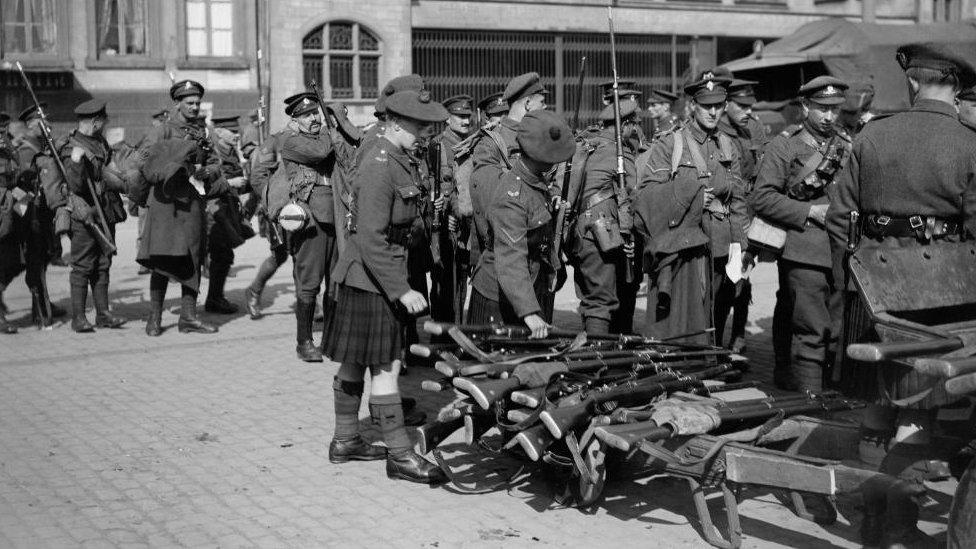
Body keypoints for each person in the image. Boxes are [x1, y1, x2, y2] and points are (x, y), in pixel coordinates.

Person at [827, 44, 976, 545]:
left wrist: (857, 272)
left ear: (913, 82)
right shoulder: (969, 143)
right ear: (955, 87)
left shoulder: (871, 134)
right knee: (918, 404)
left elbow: (837, 215)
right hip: (940, 291)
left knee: (874, 400)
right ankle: (899, 522)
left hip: (872, 283)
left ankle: (871, 514)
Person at [322, 89, 449, 484]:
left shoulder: (394, 155)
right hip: (373, 278)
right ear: (394, 123)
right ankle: (399, 454)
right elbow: (370, 237)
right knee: (386, 364)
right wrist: (402, 289)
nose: (423, 135)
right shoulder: (381, 163)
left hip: (367, 276)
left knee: (356, 361)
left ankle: (346, 440)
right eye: (417, 128)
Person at [751, 76, 852, 391]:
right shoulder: (785, 144)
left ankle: (830, 391)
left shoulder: (846, 144)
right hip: (803, 248)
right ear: (805, 106)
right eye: (822, 109)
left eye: (834, 110)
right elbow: (762, 197)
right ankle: (809, 397)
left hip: (841, 250)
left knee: (836, 327)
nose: (829, 117)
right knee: (810, 327)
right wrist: (808, 211)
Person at [634, 71, 744, 345]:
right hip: (683, 248)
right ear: (693, 105)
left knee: (716, 316)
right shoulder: (671, 143)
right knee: (684, 325)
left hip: (720, 244)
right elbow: (648, 195)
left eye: (718, 105)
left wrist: (741, 246)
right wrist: (692, 197)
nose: (713, 111)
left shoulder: (729, 145)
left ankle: (711, 365)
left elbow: (739, 198)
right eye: (707, 105)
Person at [136, 79, 238, 335]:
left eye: (197, 103)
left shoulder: (201, 132)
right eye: (189, 103)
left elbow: (216, 163)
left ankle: (188, 317)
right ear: (177, 104)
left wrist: (206, 171)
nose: (195, 107)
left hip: (192, 203)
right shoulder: (163, 130)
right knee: (161, 260)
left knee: (192, 258)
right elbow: (143, 160)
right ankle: (155, 318)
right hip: (164, 204)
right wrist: (172, 167)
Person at [468, 110, 575, 336]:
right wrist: (529, 312)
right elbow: (510, 258)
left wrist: (555, 268)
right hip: (499, 297)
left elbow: (542, 239)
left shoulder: (535, 183)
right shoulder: (512, 197)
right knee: (497, 367)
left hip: (525, 286)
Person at [468, 72, 550, 323]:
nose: (545, 109)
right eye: (541, 103)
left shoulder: (539, 137)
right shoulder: (492, 143)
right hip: (502, 270)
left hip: (536, 265)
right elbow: (493, 208)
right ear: (527, 104)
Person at [275, 92, 339, 362]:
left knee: (336, 283)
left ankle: (332, 339)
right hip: (311, 220)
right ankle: (304, 342)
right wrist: (332, 129)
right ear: (295, 120)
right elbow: (321, 152)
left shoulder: (324, 134)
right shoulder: (290, 141)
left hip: (337, 216)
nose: (313, 118)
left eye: (316, 113)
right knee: (309, 283)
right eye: (306, 115)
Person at [567, 100, 640, 334]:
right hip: (602, 234)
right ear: (626, 125)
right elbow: (632, 197)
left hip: (579, 233)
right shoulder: (620, 154)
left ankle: (595, 350)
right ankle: (597, 360)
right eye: (635, 124)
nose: (637, 130)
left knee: (591, 298)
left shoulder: (586, 146)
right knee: (601, 302)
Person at [61, 100, 129, 333]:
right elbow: (76, 186)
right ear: (95, 122)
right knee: (82, 266)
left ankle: (103, 314)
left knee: (103, 263)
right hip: (84, 214)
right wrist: (77, 161)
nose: (105, 124)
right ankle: (78, 318)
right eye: (103, 120)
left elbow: (105, 172)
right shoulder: (72, 147)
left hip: (105, 211)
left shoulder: (99, 142)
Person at [715, 78, 769, 353]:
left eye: (751, 106)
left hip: (749, 210)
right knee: (725, 279)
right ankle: (716, 340)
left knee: (743, 276)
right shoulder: (717, 129)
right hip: (724, 212)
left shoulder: (754, 128)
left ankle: (738, 335)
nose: (748, 111)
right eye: (742, 106)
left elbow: (763, 165)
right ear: (727, 104)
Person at [429, 94, 474, 325]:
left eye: (468, 116)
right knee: (444, 282)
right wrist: (445, 214)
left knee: (462, 279)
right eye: (460, 116)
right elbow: (435, 185)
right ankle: (442, 335)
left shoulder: (474, 144)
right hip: (446, 225)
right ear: (448, 118)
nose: (466, 121)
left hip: (466, 224)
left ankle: (457, 330)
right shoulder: (438, 145)